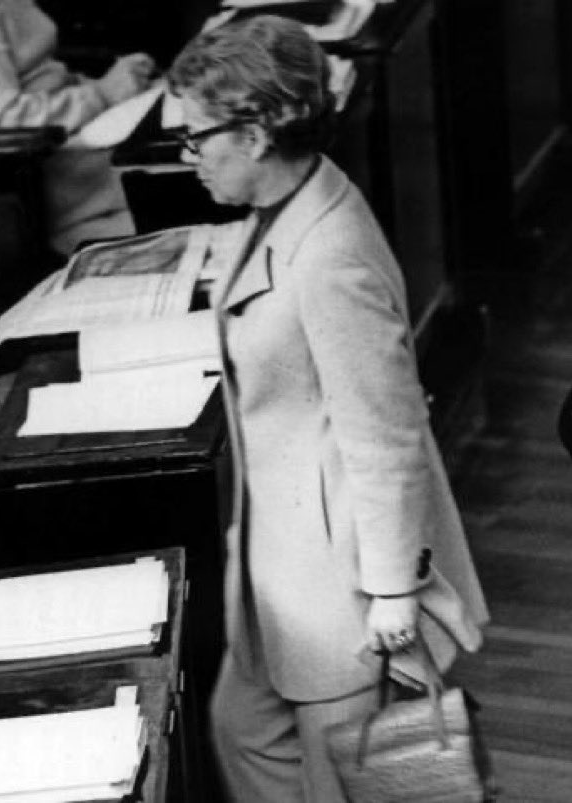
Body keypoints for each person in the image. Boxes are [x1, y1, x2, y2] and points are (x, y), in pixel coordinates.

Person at [167, 16, 490, 803]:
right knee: (242, 732)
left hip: (336, 578)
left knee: (348, 777)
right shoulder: (285, 207)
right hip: (273, 559)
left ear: (251, 132)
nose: (187, 156)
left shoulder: (331, 252)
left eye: (194, 138)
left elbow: (386, 433)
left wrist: (389, 588)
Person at [0, 0, 156, 254]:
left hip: (68, 125)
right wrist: (102, 93)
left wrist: (110, 85)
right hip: (36, 157)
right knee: (172, 162)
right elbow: (5, 117)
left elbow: (38, 78)